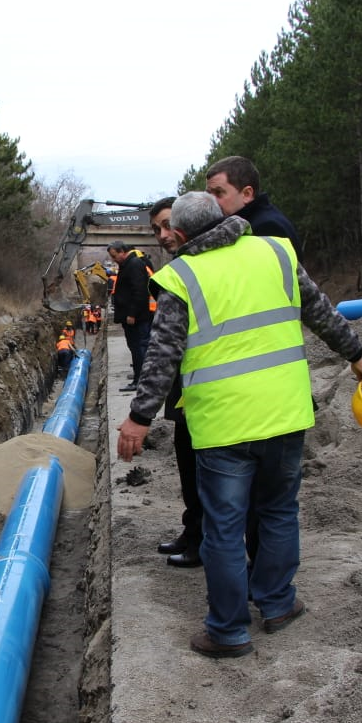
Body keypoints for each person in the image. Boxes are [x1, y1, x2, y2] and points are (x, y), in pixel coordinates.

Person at [116, 192, 362, 659]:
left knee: (223, 528)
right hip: (284, 414)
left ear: (178, 234)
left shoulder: (181, 276)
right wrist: (358, 358)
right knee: (277, 513)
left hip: (223, 425)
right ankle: (277, 604)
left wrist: (139, 419)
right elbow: (321, 313)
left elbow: (162, 357)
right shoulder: (276, 252)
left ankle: (229, 631)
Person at [205, 155, 302, 567]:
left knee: (253, 514)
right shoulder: (245, 232)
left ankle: (251, 599)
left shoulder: (269, 233)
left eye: (219, 193)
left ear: (247, 193)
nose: (214, 203)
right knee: (271, 510)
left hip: (256, 401)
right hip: (273, 398)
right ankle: (273, 597)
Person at [146, 195, 203, 568]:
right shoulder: (176, 269)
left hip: (206, 393)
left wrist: (139, 415)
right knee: (189, 471)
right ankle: (193, 532)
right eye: (156, 230)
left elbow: (163, 349)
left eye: (168, 225)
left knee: (206, 478)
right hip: (188, 391)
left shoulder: (189, 273)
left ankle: (202, 543)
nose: (163, 236)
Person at [204, 155, 303, 256]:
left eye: (218, 193)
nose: (211, 200)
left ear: (247, 194)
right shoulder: (253, 221)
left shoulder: (267, 228)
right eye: (208, 194)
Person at [107, 240, 153, 392]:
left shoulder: (133, 265)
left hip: (137, 317)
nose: (113, 260)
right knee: (136, 348)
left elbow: (139, 291)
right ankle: (139, 377)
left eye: (114, 256)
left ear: (122, 252)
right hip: (133, 316)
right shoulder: (128, 264)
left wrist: (132, 313)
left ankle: (141, 380)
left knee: (139, 347)